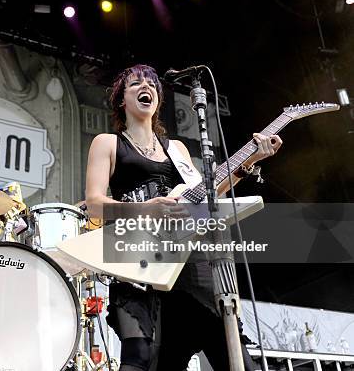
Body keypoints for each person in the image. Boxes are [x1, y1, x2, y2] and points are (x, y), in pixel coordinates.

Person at [85, 64, 282, 371]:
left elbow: (205, 195)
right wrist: (146, 208)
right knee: (139, 359)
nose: (145, 86)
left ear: (158, 99)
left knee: (233, 357)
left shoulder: (176, 149)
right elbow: (95, 205)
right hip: (137, 262)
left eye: (151, 83)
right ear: (121, 99)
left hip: (189, 263)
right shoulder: (108, 143)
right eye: (135, 83)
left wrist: (250, 160)